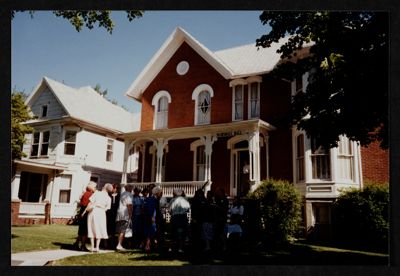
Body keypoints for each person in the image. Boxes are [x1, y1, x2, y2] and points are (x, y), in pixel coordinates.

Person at [87, 183, 113, 252]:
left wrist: (88, 209)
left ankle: (92, 247)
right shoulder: (109, 198)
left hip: (94, 210)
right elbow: (107, 208)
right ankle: (97, 247)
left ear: (104, 188)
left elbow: (90, 202)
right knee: (99, 229)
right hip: (101, 212)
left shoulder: (97, 193)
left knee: (91, 228)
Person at [73, 181, 96, 251]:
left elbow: (81, 203)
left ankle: (76, 243)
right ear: (91, 188)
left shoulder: (84, 193)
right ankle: (83, 245)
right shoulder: (91, 195)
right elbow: (88, 205)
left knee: (81, 229)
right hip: (85, 212)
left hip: (81, 211)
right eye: (95, 187)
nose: (95, 188)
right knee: (85, 230)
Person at [168, 188, 191, 253]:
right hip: (182, 217)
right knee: (182, 233)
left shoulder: (172, 200)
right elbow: (188, 209)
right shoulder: (185, 199)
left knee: (173, 233)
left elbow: (169, 210)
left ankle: (171, 248)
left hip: (175, 217)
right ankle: (180, 248)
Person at [143, 186, 162, 253]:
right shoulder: (152, 199)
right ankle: (147, 246)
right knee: (150, 232)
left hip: (152, 218)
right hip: (151, 218)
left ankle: (151, 245)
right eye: (160, 192)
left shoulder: (153, 199)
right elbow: (151, 210)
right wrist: (152, 218)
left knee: (152, 232)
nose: (161, 194)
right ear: (157, 193)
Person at [115, 184, 133, 251]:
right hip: (125, 213)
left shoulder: (122, 194)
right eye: (131, 188)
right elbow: (129, 205)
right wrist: (130, 214)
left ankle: (119, 244)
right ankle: (119, 245)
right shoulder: (129, 194)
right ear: (129, 188)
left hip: (119, 212)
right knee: (123, 230)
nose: (132, 190)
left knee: (120, 230)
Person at [105, 183, 120, 249]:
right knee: (107, 228)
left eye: (116, 188)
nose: (115, 189)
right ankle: (105, 243)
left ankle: (112, 242)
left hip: (115, 213)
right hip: (108, 213)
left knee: (113, 229)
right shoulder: (108, 195)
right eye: (114, 188)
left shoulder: (118, 196)